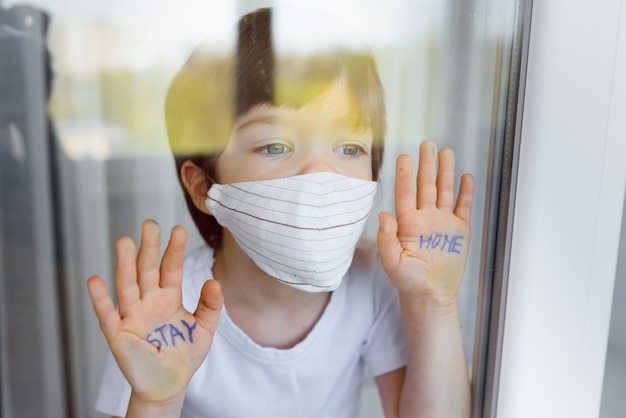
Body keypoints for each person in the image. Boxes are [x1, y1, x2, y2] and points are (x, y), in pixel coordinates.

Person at [87, 6, 474, 418]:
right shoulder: (166, 309)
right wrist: (155, 401)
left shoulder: (372, 283)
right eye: (275, 146)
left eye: (349, 148)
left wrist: (436, 303)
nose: (320, 175)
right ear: (203, 185)